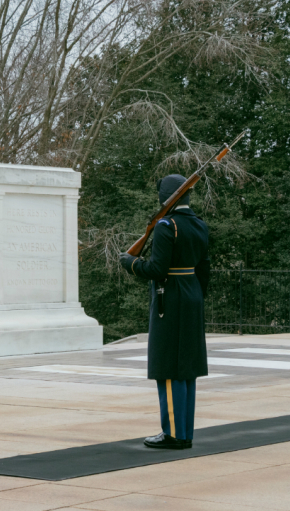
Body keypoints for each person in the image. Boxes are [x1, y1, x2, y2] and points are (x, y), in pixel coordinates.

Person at [119, 174, 210, 450]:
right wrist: (195, 295)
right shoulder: (199, 225)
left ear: (165, 198)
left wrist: (131, 263)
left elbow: (157, 270)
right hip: (192, 294)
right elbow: (203, 269)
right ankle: (184, 433)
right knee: (187, 370)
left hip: (169, 298)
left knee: (169, 367)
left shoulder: (166, 226)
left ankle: (172, 433)